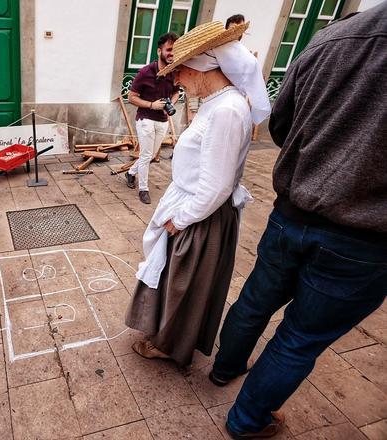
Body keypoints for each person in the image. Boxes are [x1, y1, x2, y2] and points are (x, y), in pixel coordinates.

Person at [209, 4, 387, 439]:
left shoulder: (332, 37)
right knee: (299, 337)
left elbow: (281, 121)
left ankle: (224, 368)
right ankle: (246, 420)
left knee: (255, 300)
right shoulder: (336, 35)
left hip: (294, 210)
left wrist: (318, 158)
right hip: (362, 235)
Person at [125, 21, 271, 367]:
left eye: (180, 71)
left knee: (183, 287)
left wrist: (182, 218)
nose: (175, 80)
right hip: (192, 204)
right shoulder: (216, 102)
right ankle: (163, 334)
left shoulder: (227, 110)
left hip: (200, 213)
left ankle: (170, 345)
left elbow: (218, 184)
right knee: (175, 280)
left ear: (203, 65)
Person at [126, 32, 180, 204]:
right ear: (159, 51)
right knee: (146, 154)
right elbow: (131, 97)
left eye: (174, 50)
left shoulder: (174, 72)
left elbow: (176, 92)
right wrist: (151, 105)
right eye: (169, 49)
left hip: (162, 120)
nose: (172, 53)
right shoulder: (145, 72)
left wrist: (169, 103)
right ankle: (143, 189)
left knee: (149, 155)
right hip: (145, 118)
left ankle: (130, 172)